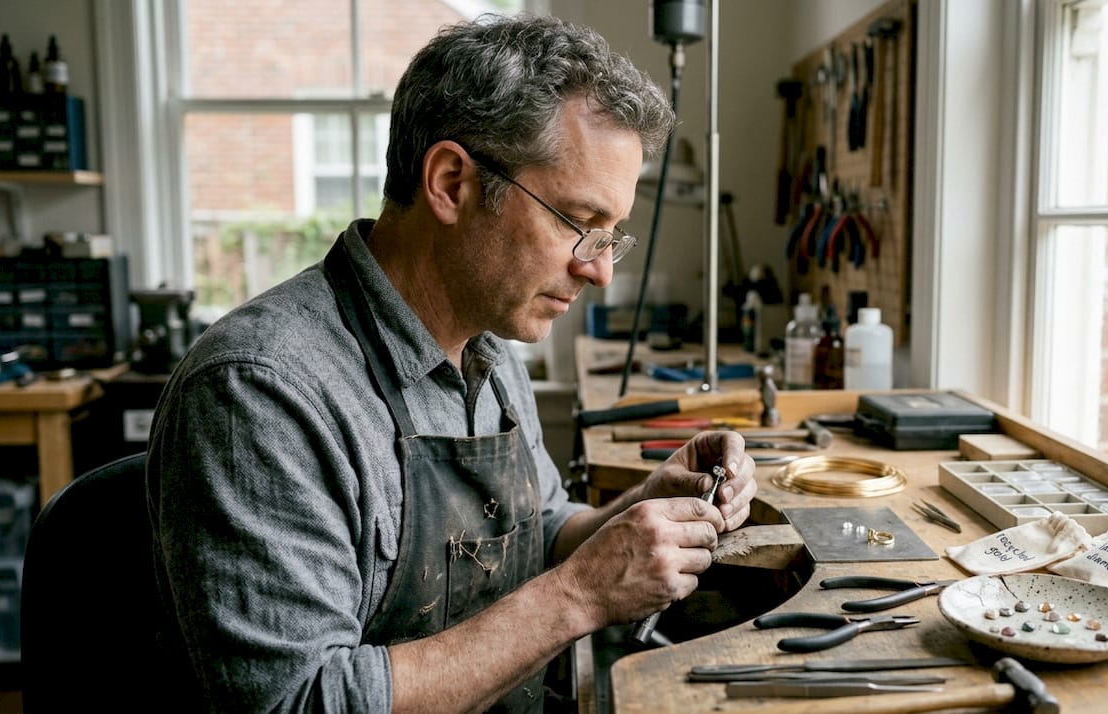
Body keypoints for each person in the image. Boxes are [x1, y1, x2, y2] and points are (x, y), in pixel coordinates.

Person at [145, 13, 758, 714]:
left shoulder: (488, 346)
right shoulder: (258, 396)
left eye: (610, 238)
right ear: (449, 183)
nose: (600, 274)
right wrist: (580, 596)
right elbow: (299, 702)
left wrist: (643, 509)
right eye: (575, 223)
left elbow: (540, 533)